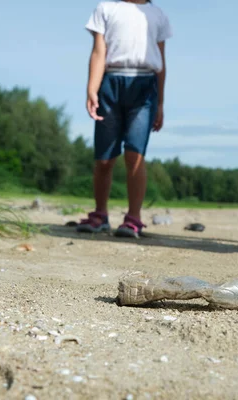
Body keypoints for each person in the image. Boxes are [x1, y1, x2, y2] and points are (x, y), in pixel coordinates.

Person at [77, 0, 172, 238]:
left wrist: (160, 102)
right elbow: (99, 51)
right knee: (105, 158)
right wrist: (92, 88)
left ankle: (134, 218)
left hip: (144, 85)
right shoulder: (106, 9)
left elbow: (161, 61)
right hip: (110, 83)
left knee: (134, 154)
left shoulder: (157, 15)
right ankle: (100, 214)